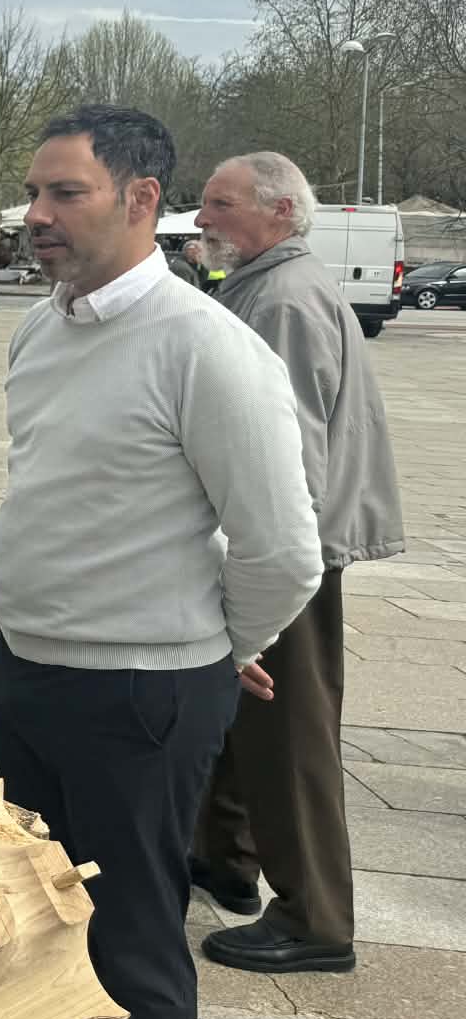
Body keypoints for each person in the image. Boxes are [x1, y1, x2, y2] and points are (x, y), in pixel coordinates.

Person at [0, 106, 320, 1019]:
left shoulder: (205, 350)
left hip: (135, 694)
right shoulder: (43, 325)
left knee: (129, 937)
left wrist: (215, 652)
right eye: (32, 192)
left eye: (61, 194)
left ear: (138, 202)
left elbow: (280, 548)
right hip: (29, 672)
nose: (33, 214)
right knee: (56, 923)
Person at [189, 152, 403, 975]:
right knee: (243, 715)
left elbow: (292, 453)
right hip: (288, 545)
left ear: (280, 213)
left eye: (222, 205)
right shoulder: (272, 284)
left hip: (288, 551)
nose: (204, 218)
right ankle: (225, 861)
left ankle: (317, 918)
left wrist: (265, 558)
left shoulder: (280, 298)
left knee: (289, 734)